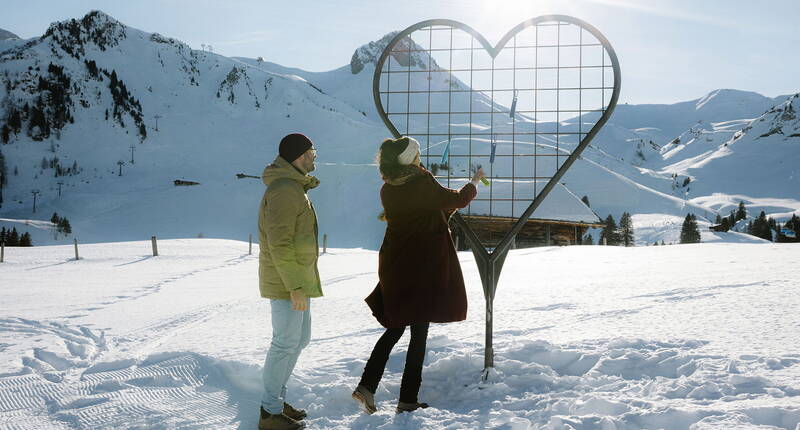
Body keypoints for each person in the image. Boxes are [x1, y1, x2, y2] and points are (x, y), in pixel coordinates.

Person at [352, 136, 484, 414]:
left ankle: (367, 386)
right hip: (422, 267)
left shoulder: (388, 188)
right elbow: (456, 200)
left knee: (396, 326)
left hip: (397, 264)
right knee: (419, 334)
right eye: (417, 153)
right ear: (411, 158)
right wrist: (474, 183)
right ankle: (407, 399)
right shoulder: (421, 182)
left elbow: (427, 210)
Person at [257, 133, 322, 430]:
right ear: (299, 156)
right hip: (287, 282)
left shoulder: (295, 187)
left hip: (297, 279)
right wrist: (294, 286)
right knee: (284, 343)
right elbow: (279, 243)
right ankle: (269, 413)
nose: (315, 157)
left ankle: (277, 403)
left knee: (299, 340)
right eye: (312, 152)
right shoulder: (285, 190)